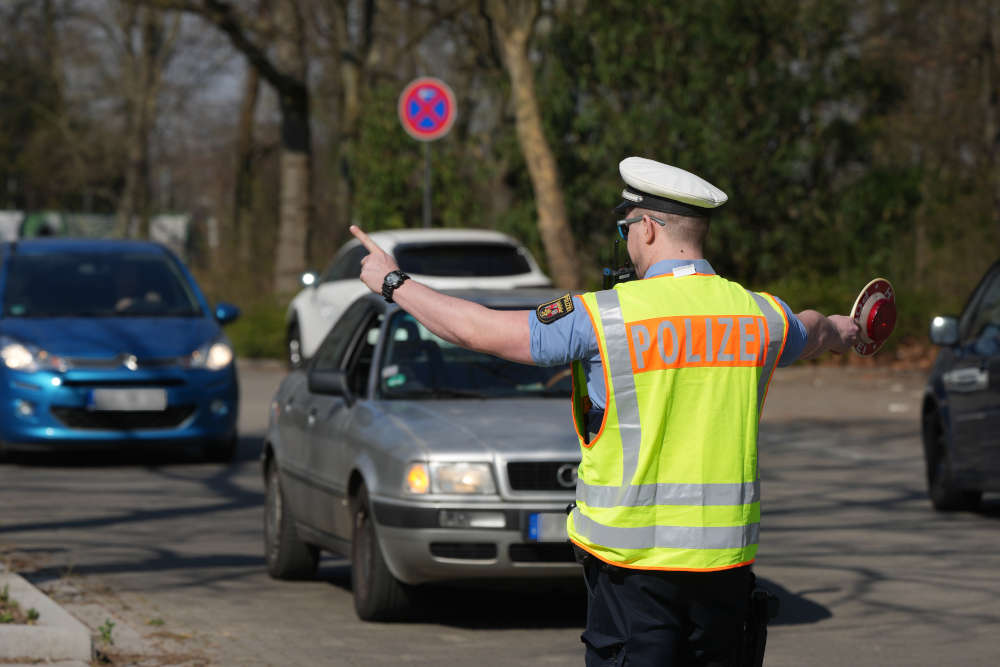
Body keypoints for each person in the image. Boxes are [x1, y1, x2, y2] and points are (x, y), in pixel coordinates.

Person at [349, 156, 859, 666]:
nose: (628, 242)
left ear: (651, 229)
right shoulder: (762, 317)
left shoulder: (606, 316)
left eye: (627, 228)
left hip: (632, 572)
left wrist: (394, 283)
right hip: (724, 573)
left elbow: (481, 331)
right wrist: (847, 330)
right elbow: (813, 328)